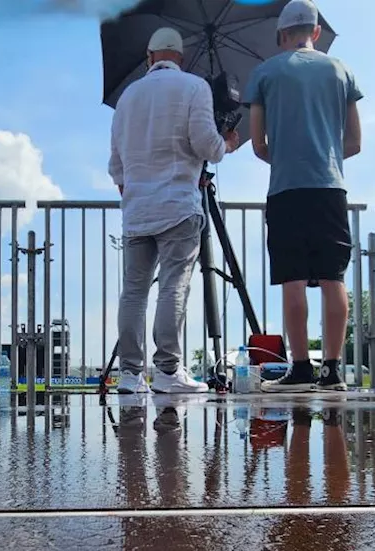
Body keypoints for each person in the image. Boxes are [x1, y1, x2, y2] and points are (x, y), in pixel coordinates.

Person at [108, 27, 240, 395]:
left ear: (150, 57)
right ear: (179, 57)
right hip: (179, 206)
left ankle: (131, 376)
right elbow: (205, 145)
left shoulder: (128, 97)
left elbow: (116, 163)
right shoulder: (194, 87)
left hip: (136, 209)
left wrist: (134, 188)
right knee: (173, 286)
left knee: (133, 292)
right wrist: (226, 143)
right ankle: (167, 370)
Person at [245, 0, 363, 393]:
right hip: (330, 186)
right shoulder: (340, 69)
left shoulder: (264, 73)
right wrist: (325, 154)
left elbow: (258, 144)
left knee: (292, 279)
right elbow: (355, 142)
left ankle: (299, 368)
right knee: (334, 277)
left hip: (286, 188)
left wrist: (286, 157)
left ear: (282, 36)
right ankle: (331, 371)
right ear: (315, 33)